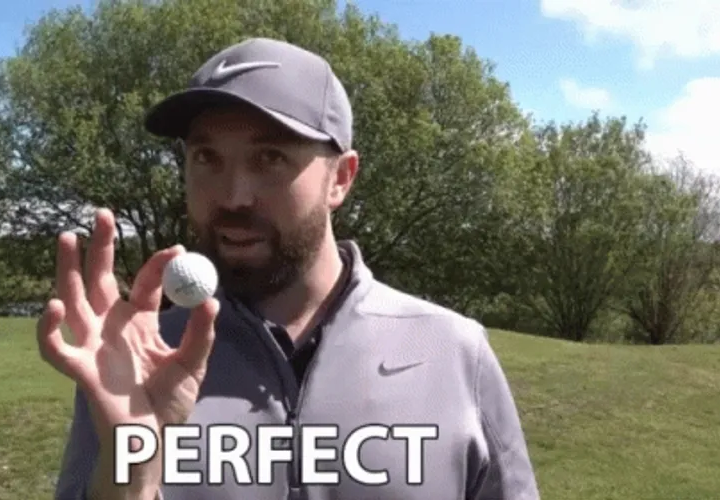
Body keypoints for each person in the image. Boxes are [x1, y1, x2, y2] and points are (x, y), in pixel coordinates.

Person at [40, 37, 540, 500]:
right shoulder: (139, 362)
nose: (234, 196)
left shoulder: (453, 351)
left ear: (340, 178)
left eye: (270, 158)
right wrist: (131, 477)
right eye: (207, 157)